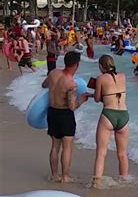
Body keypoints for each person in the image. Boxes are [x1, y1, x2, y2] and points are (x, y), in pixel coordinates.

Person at [41, 51, 89, 182]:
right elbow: (72, 106)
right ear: (76, 65)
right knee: (67, 147)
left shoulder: (53, 73)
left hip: (52, 112)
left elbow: (44, 85)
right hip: (65, 115)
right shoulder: (71, 84)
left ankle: (54, 175)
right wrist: (83, 99)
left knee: (55, 146)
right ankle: (65, 176)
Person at [90, 55, 129, 188]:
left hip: (108, 115)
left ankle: (97, 182)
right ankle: (124, 180)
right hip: (123, 115)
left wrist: (93, 91)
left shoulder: (101, 78)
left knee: (101, 152)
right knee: (122, 154)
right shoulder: (123, 76)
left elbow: (97, 98)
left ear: (101, 66)